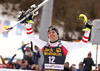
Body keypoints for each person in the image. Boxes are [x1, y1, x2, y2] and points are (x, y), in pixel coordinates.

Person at [20, 14, 92, 71]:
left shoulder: (64, 46)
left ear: (57, 35)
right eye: (50, 33)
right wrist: (29, 23)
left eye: (53, 32)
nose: (51, 34)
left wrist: (87, 30)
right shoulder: (44, 45)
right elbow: (31, 36)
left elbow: (82, 44)